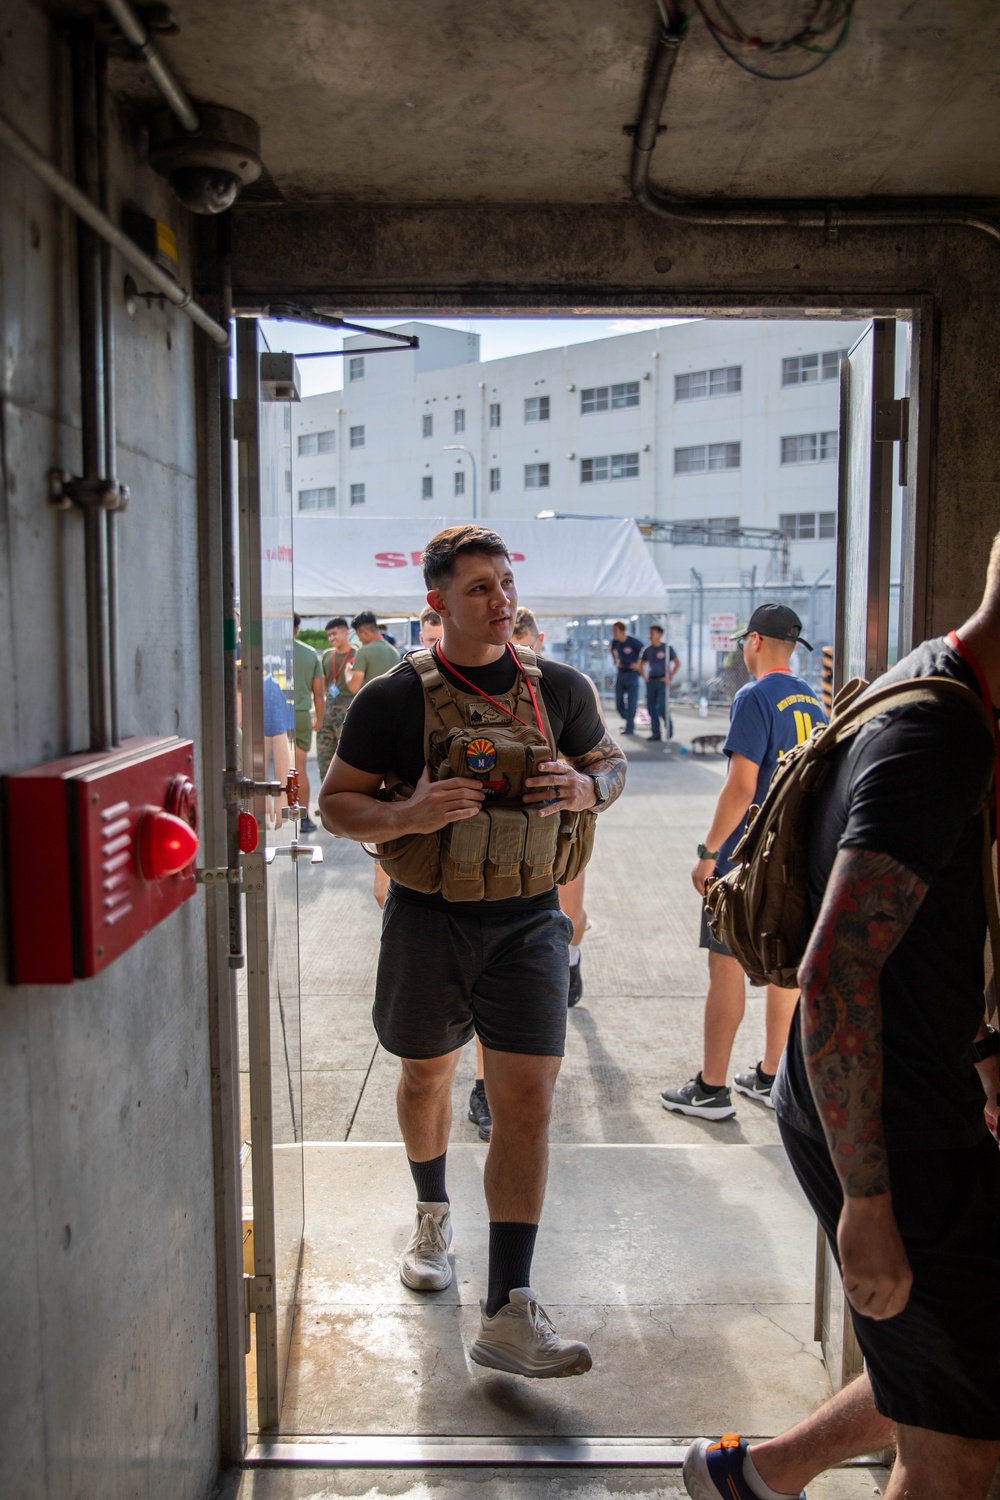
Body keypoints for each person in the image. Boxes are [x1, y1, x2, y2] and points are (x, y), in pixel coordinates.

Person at [684, 549, 1000, 1500]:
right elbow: (834, 973)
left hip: (913, 1097)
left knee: (962, 1361)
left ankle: (758, 1477)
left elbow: (923, 932)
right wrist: (868, 1205)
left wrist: (982, 1056)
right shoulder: (941, 736)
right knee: (959, 1456)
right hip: (891, 1126)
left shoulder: (930, 682)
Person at [319, 524, 626, 1378]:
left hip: (531, 922)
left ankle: (509, 1308)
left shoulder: (559, 688)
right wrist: (406, 816)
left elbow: (611, 763)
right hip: (429, 918)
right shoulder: (393, 699)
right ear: (437, 603)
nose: (502, 601)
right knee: (427, 1075)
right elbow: (333, 803)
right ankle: (431, 1212)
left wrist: (588, 784)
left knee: (525, 1100)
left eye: (506, 583)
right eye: (480, 588)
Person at [661, 604, 827, 1120]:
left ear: (754, 641)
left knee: (726, 966)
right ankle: (771, 1075)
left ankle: (711, 1089)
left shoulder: (754, 697)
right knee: (784, 967)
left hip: (748, 859)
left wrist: (709, 853)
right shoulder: (814, 702)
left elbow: (741, 787)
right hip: (797, 855)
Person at [513, 605, 599, 1007]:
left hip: (565, 820)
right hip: (515, 822)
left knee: (570, 912)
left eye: (526, 649)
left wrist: (583, 787)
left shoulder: (568, 686)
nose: (520, 660)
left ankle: (572, 956)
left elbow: (600, 759)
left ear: (540, 641)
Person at [292, 614, 324, 836]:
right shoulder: (309, 653)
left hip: (262, 714)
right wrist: (319, 718)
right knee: (299, 768)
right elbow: (319, 692)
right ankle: (303, 819)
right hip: (299, 713)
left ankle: (258, 817)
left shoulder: (259, 649)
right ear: (296, 629)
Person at [316, 617, 355, 785]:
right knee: (324, 756)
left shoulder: (357, 654)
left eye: (335, 633)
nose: (332, 638)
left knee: (346, 755)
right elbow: (324, 684)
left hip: (349, 708)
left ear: (346, 632)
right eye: (329, 635)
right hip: (329, 707)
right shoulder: (326, 655)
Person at [640, 623, 680, 742]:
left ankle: (669, 727)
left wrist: (670, 676)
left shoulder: (667, 648)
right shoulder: (647, 649)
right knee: (651, 707)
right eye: (649, 633)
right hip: (651, 680)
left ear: (660, 634)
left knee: (662, 706)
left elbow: (677, 663)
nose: (650, 636)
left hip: (662, 680)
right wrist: (645, 677)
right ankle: (656, 733)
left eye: (652, 633)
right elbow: (641, 664)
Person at [346, 610, 400, 694]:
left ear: (365, 633)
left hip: (371, 704)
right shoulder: (394, 651)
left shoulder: (363, 652)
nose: (359, 640)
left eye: (358, 636)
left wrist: (348, 672)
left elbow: (354, 688)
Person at [609, 620, 644, 736]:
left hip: (632, 674)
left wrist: (639, 665)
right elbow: (611, 650)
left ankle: (630, 727)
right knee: (619, 701)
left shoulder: (633, 642)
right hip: (621, 673)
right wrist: (616, 661)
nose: (613, 633)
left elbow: (644, 652)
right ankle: (627, 717)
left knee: (631, 701)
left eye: (615, 630)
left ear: (622, 631)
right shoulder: (615, 642)